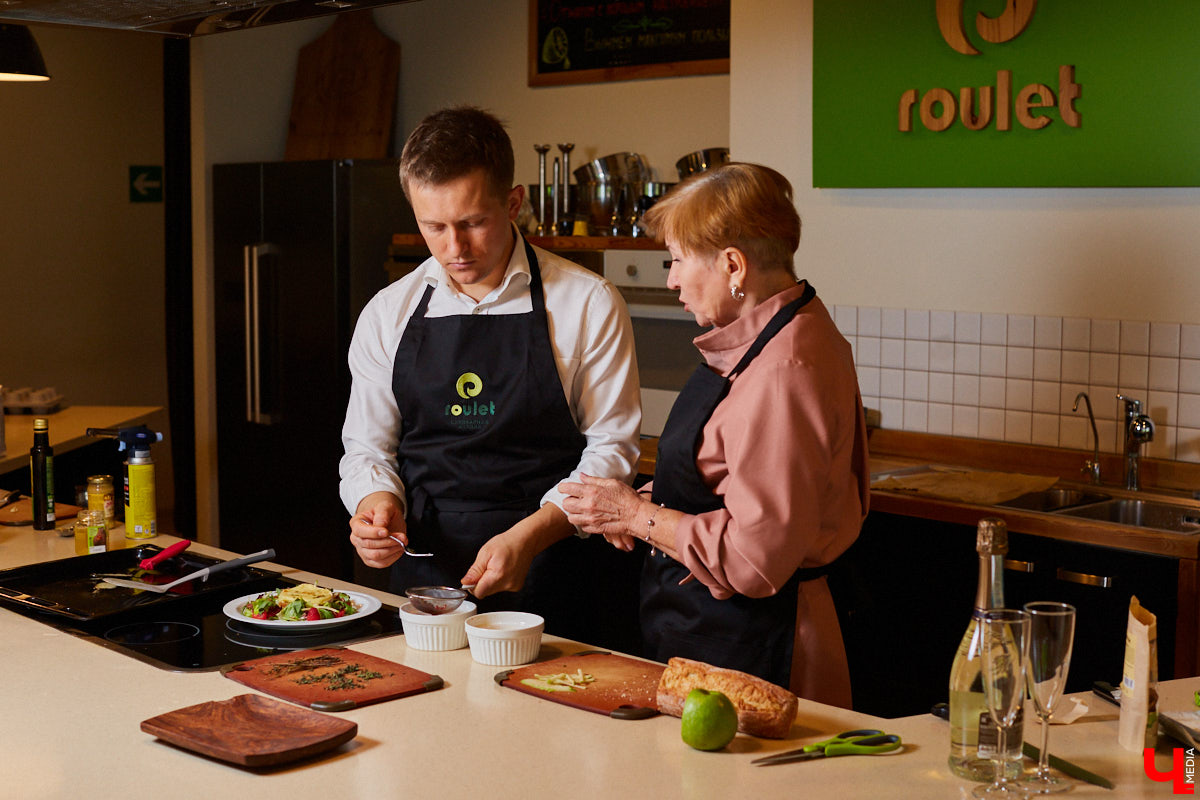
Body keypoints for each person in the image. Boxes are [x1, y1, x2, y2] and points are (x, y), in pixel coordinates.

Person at [559, 163, 869, 706]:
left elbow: (754, 558)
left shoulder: (784, 369)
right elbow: (731, 479)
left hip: (758, 643)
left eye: (677, 260)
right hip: (720, 633)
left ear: (732, 265)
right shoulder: (770, 334)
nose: (672, 278)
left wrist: (637, 517)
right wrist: (646, 504)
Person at [339, 106, 642, 646]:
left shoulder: (587, 302)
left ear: (513, 202)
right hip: (428, 573)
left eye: (473, 223)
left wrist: (531, 535)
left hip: (557, 566)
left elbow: (612, 449)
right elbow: (367, 448)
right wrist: (373, 504)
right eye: (434, 227)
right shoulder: (388, 313)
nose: (454, 248)